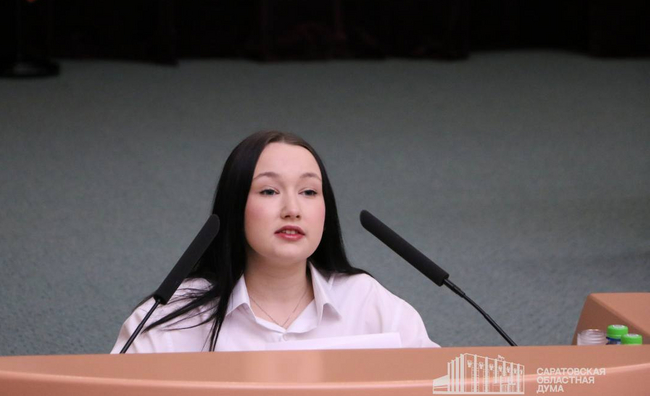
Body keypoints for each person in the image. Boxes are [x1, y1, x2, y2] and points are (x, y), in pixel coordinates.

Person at [111, 130, 438, 353]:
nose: (292, 209)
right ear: (235, 205)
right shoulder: (172, 318)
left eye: (309, 192)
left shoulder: (366, 302)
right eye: (269, 191)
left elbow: (440, 389)